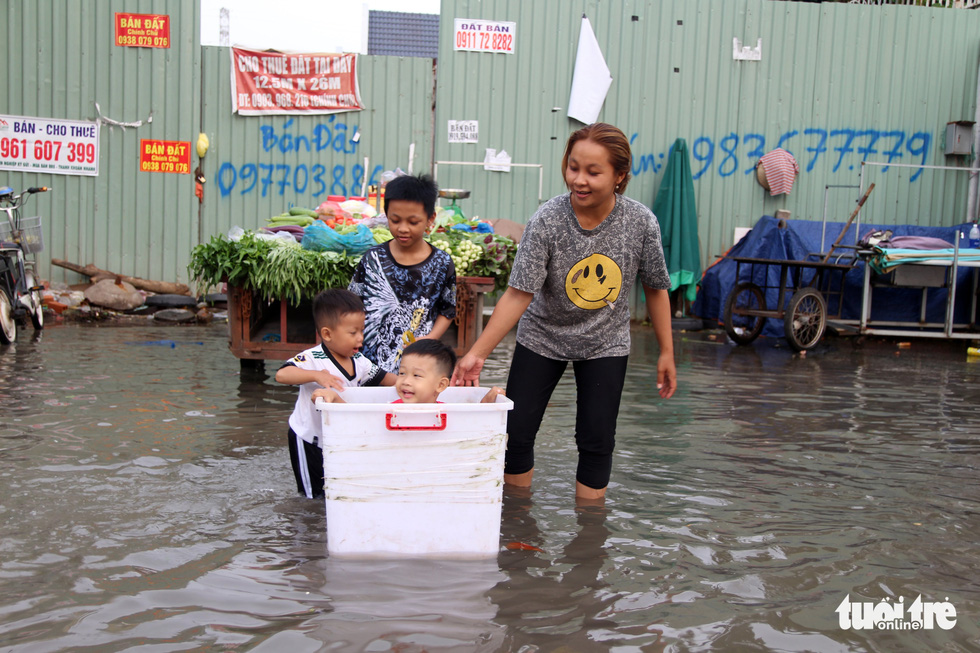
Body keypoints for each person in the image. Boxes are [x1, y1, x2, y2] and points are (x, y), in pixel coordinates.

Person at [451, 122, 677, 503]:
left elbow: (655, 288)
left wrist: (667, 352)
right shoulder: (548, 219)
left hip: (605, 341)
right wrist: (477, 353)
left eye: (593, 172)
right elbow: (518, 294)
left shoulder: (641, 223)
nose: (579, 180)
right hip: (543, 335)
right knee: (517, 431)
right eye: (573, 167)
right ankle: (517, 522)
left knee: (597, 437)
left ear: (620, 176)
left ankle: (589, 535)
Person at [275, 288, 395, 498]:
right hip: (308, 438)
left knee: (337, 489)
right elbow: (282, 375)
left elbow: (387, 379)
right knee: (311, 497)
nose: (360, 338)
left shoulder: (360, 362)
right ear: (327, 334)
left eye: (362, 331)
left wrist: (414, 381)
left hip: (338, 438)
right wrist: (315, 375)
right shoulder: (313, 357)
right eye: (352, 333)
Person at [348, 173, 457, 374]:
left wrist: (432, 337)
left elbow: (448, 309)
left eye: (413, 222)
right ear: (386, 214)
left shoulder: (442, 263)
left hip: (417, 365)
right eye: (395, 220)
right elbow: (352, 304)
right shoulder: (373, 259)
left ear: (430, 219)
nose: (403, 229)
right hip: (369, 366)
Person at [314, 338, 503, 405]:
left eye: (417, 375)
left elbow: (477, 418)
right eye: (402, 373)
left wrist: (490, 397)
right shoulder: (391, 408)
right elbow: (354, 417)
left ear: (441, 385)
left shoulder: (448, 411)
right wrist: (333, 397)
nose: (405, 381)